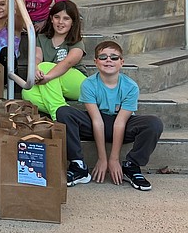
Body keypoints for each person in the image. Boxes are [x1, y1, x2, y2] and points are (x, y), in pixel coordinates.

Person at [56, 41, 163, 190]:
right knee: (63, 112)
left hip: (122, 125)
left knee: (153, 123)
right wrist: (102, 158)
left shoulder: (130, 86)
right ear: (95, 62)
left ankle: (131, 166)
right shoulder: (88, 84)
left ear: (122, 62)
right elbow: (97, 120)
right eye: (103, 57)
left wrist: (113, 159)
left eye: (114, 57)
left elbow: (120, 123)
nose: (108, 60)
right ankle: (78, 166)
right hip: (95, 123)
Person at [22, 0, 87, 117]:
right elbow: (37, 57)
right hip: (52, 84)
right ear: (51, 19)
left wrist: (47, 76)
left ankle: (57, 116)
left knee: (45, 66)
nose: (61, 22)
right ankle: (65, 113)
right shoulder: (42, 38)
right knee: (27, 92)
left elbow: (68, 62)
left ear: (73, 22)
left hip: (79, 85)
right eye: (57, 17)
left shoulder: (76, 41)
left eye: (66, 18)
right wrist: (35, 69)